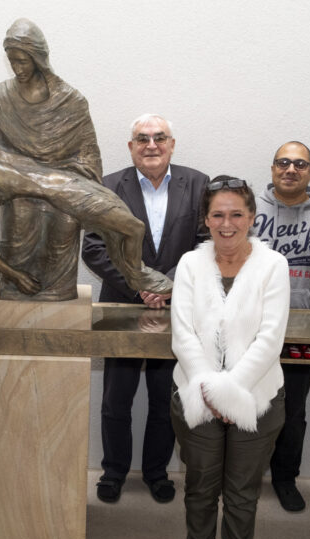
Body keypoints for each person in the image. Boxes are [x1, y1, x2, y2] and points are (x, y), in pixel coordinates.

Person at [169, 177, 290, 539]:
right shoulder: (188, 265)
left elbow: (270, 338)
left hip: (257, 399)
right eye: (218, 214)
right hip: (196, 397)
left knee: (241, 493)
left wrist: (231, 391)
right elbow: (182, 334)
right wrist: (211, 391)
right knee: (200, 488)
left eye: (236, 213)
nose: (227, 223)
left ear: (252, 218)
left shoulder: (273, 265)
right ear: (206, 220)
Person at [81, 114, 209, 504]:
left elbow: (206, 243)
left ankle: (156, 472)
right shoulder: (107, 186)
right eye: (142, 139)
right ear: (130, 146)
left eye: (159, 138)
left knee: (164, 396)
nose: (151, 145)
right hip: (122, 305)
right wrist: (141, 286)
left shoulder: (199, 184)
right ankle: (113, 471)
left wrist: (167, 286)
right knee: (115, 399)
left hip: (177, 309)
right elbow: (94, 247)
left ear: (172, 144)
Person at [0, 129, 172, 297]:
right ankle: (136, 274)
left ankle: (133, 271)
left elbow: (33, 133)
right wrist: (15, 274)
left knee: (119, 233)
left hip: (73, 182)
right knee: (134, 228)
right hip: (66, 199)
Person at [0, 17, 102, 300]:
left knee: (62, 239)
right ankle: (16, 284)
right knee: (18, 241)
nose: (18, 68)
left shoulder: (71, 101)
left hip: (62, 189)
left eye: (23, 60)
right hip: (18, 191)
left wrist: (75, 184)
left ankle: (56, 292)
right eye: (12, 61)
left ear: (38, 58)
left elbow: (88, 153)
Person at [254, 141, 310, 512]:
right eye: (283, 162)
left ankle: (285, 478)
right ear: (273, 168)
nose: (291, 169)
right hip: (250, 329)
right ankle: (243, 477)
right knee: (245, 405)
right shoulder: (248, 210)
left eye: (300, 164)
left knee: (292, 412)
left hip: (302, 332)